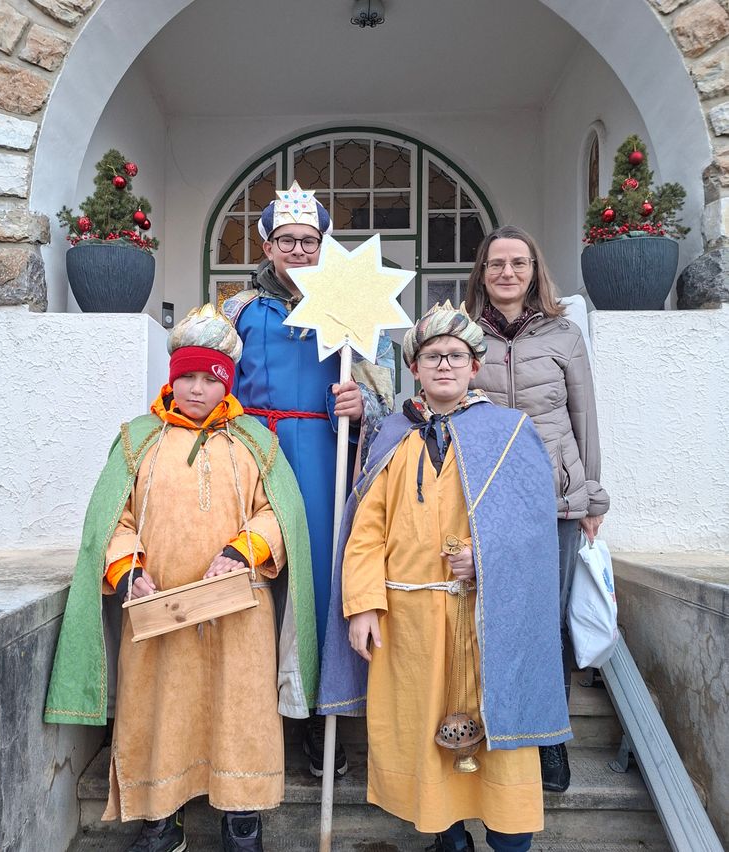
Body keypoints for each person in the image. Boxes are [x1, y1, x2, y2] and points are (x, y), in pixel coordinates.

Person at [44, 304, 318, 852]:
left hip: (240, 610)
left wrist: (244, 551)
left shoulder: (257, 443)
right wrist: (128, 569)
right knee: (158, 707)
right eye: (186, 377)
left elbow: (280, 516)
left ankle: (242, 819)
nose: (197, 389)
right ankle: (159, 820)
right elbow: (112, 519)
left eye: (209, 378)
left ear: (226, 383)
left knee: (240, 707)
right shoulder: (136, 440)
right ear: (172, 379)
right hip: (159, 609)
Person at [317, 301, 571, 852]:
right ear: (416, 367)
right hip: (407, 625)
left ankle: (510, 843)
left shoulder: (510, 433)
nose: (445, 365)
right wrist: (361, 605)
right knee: (422, 747)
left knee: (499, 756)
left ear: (475, 367)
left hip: (485, 623)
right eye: (432, 356)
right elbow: (366, 530)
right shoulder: (392, 438)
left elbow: (533, 530)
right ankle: (448, 842)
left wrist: (487, 558)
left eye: (456, 355)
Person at [222, 180, 395, 777]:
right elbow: (209, 385)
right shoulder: (237, 311)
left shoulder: (351, 309)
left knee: (320, 583)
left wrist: (359, 406)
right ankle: (253, 714)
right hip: (255, 459)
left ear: (324, 246)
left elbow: (386, 394)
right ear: (267, 246)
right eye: (287, 240)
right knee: (256, 580)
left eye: (309, 241)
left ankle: (324, 719)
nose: (298, 250)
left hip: (323, 456)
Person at [464, 225, 610, 792]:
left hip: (554, 499)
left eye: (517, 263)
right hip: (484, 495)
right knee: (489, 617)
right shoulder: (464, 334)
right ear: (482, 272)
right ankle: (492, 725)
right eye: (496, 263)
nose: (507, 273)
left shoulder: (564, 334)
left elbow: (585, 417)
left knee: (546, 622)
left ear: (533, 270)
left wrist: (591, 493)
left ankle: (550, 738)